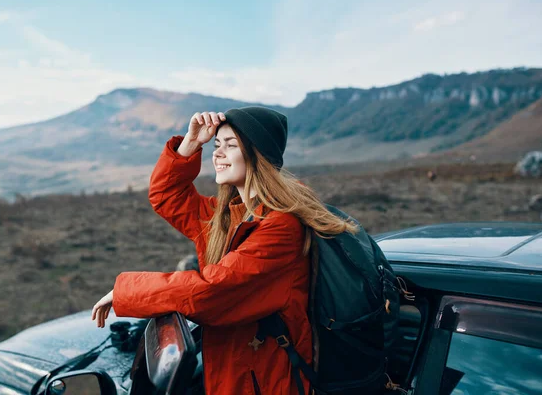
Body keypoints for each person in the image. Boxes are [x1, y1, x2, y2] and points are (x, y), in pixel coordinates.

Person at [92, 107, 357, 395]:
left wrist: (124, 292)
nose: (217, 154)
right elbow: (167, 196)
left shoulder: (281, 227)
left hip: (266, 380)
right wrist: (192, 143)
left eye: (230, 146)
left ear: (259, 156)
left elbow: (214, 291)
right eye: (217, 145)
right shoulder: (226, 216)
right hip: (234, 369)